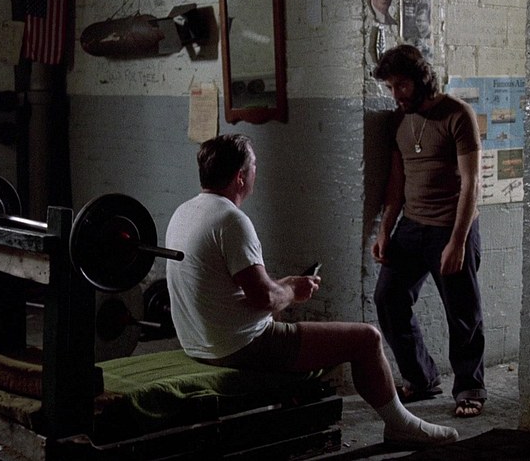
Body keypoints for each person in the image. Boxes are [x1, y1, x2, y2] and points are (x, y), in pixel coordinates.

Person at [165, 134, 460, 447]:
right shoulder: (231, 220)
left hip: (197, 343)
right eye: (254, 166)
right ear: (240, 177)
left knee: (291, 318)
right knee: (366, 339)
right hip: (237, 347)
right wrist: (293, 292)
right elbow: (264, 298)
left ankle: (294, 406)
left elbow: (239, 286)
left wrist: (287, 285)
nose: (255, 172)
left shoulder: (184, 212)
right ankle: (401, 425)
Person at [371, 45, 487, 418]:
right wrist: (385, 230)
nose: (396, 94)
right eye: (390, 87)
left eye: (401, 85)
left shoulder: (457, 114)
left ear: (421, 79)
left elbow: (471, 184)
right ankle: (421, 378)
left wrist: (458, 241)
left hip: (451, 227)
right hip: (411, 227)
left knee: (462, 311)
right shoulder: (400, 120)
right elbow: (396, 182)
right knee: (388, 297)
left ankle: (469, 387)